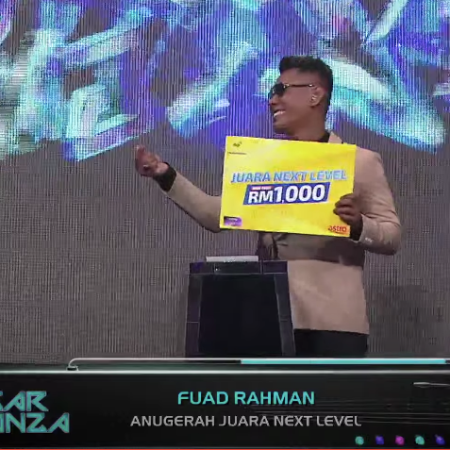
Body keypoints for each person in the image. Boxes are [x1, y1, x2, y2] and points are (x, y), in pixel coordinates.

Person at [135, 56, 401, 358]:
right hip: (268, 318)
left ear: (315, 95)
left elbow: (391, 236)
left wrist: (358, 226)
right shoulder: (266, 165)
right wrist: (164, 174)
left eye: (281, 90)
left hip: (332, 326)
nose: (272, 100)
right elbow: (215, 215)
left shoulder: (358, 162)